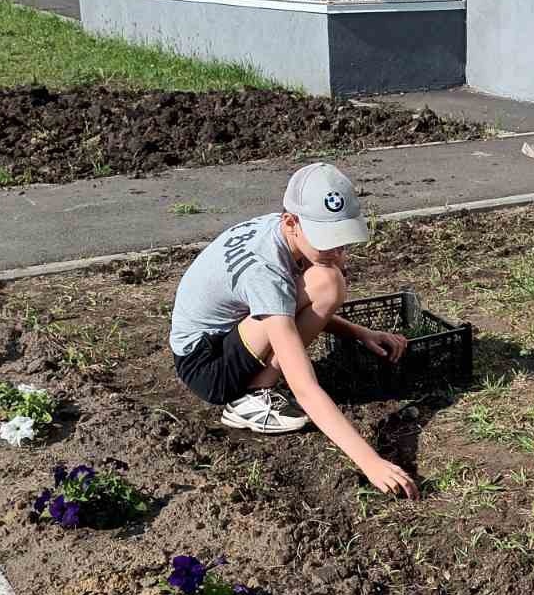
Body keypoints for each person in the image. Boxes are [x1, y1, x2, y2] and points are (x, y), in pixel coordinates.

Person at [169, 161, 418, 498]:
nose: (338, 252)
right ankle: (250, 400)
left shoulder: (277, 233)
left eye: (342, 241)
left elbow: (288, 309)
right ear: (292, 222)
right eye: (327, 241)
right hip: (207, 365)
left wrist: (359, 333)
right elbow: (304, 386)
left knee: (327, 280)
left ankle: (255, 385)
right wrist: (370, 462)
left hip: (225, 338)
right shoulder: (265, 272)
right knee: (327, 280)